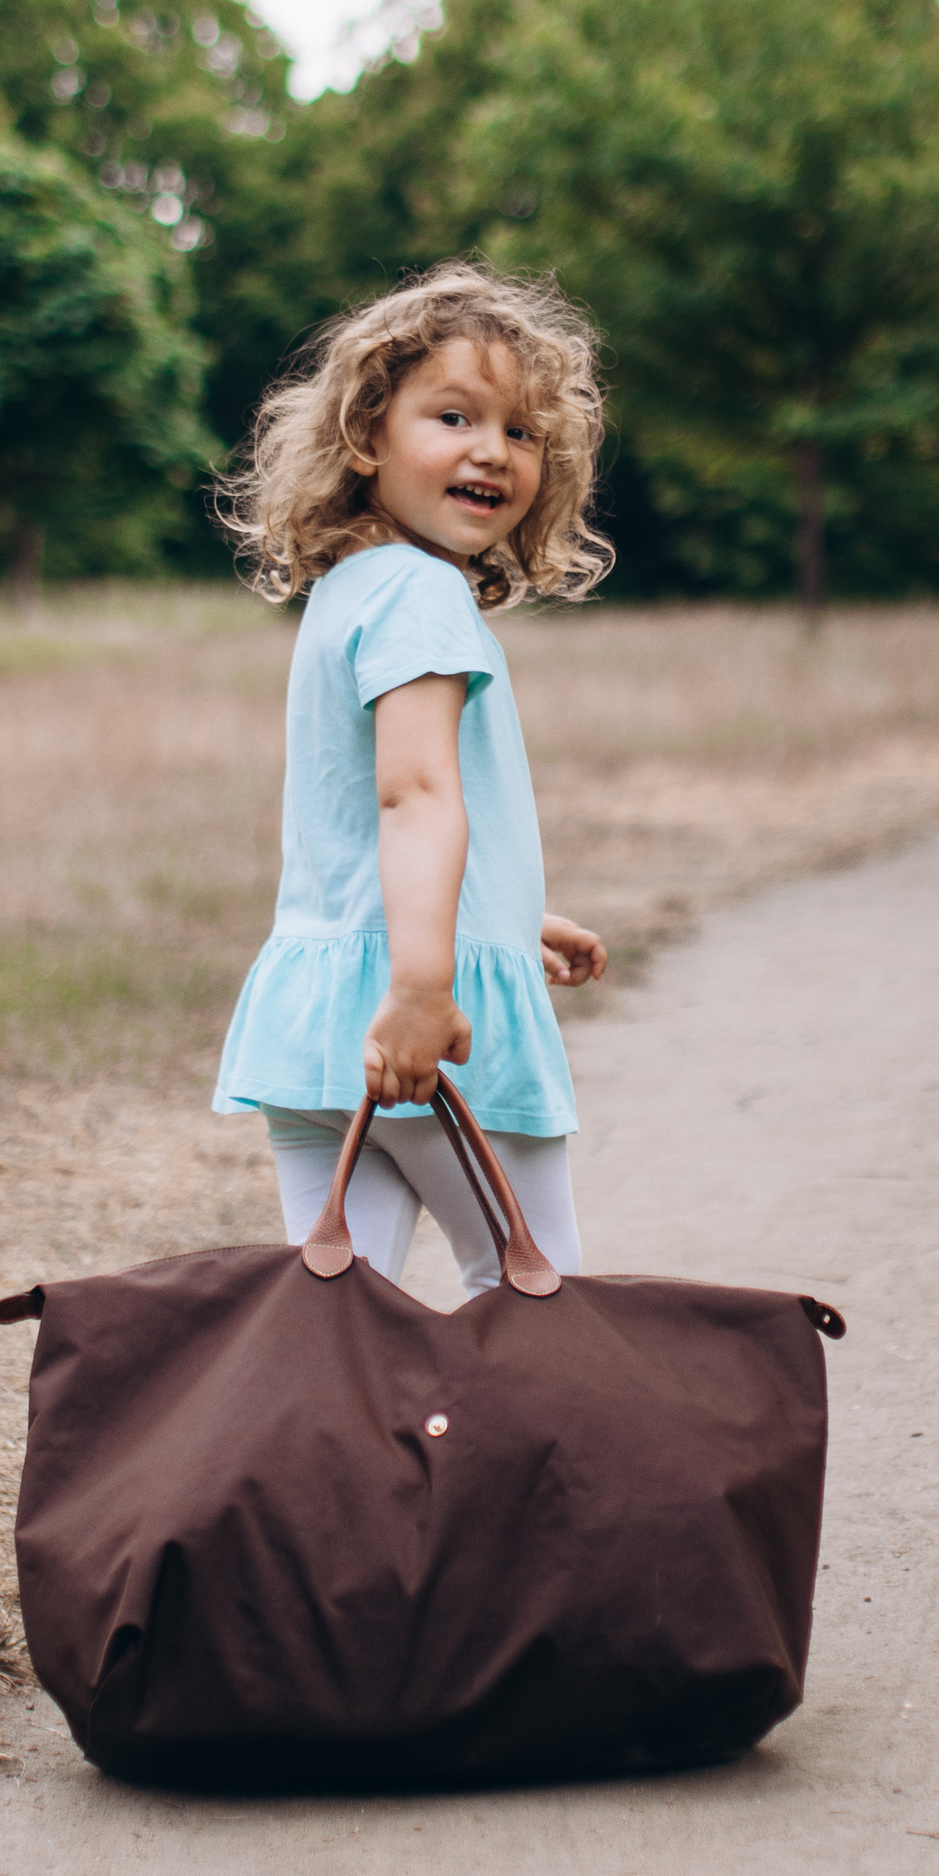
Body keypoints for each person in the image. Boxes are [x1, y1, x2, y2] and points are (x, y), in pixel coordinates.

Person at [212, 261, 613, 1293]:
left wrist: (506, 911)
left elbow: (362, 820)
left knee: (343, 1331)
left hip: (312, 1025)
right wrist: (427, 986)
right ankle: (514, 1465)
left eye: (522, 432)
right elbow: (417, 796)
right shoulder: (424, 596)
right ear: (365, 435)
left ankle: (322, 1465)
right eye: (453, 416)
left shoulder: (349, 591)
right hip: (419, 1018)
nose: (492, 450)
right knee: (533, 1296)